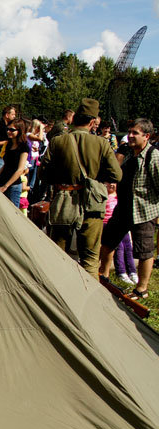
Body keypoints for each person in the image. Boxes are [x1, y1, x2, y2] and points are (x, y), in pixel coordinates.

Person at [40, 98, 122, 278]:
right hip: (93, 205)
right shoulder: (102, 144)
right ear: (93, 122)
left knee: (58, 256)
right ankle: (89, 302)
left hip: (64, 201)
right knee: (90, 260)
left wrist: (62, 179)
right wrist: (95, 180)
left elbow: (43, 174)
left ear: (75, 118)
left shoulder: (57, 142)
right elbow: (117, 175)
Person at [99, 118, 159, 299]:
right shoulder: (129, 153)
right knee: (108, 241)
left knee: (145, 250)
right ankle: (103, 275)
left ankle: (141, 289)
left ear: (146, 136)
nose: (130, 136)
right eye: (130, 132)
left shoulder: (153, 155)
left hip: (143, 211)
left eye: (135, 133)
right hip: (123, 208)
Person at [103, 183, 137, 285]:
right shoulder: (104, 197)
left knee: (128, 246)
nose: (112, 185)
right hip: (107, 224)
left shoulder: (119, 197)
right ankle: (121, 271)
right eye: (109, 182)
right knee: (119, 246)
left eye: (114, 183)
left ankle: (132, 271)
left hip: (120, 224)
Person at [0, 118, 29, 207]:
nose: (9, 131)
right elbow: (5, 165)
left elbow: (20, 170)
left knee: (13, 213)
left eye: (12, 130)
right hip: (2, 182)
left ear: (19, 131)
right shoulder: (8, 144)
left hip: (13, 185)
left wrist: (6, 186)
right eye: (7, 129)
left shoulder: (24, 147)